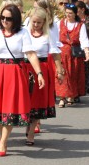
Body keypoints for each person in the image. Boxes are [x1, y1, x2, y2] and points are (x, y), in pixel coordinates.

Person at [0, 5, 45, 157]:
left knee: (9, 108)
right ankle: (2, 133)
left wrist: (39, 73)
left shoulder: (23, 32)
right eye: (2, 17)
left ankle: (3, 141)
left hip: (15, 72)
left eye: (9, 18)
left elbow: (30, 54)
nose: (5, 21)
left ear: (15, 19)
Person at [24, 8, 64, 145]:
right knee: (26, 100)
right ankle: (28, 123)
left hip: (42, 69)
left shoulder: (47, 36)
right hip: (26, 68)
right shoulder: (24, 33)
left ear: (44, 23)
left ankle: (30, 134)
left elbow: (55, 53)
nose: (36, 25)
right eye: (34, 22)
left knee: (38, 102)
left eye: (39, 23)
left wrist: (59, 70)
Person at [55, 3, 89, 107]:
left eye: (70, 13)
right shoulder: (60, 23)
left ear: (75, 14)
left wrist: (87, 52)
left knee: (72, 75)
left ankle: (70, 95)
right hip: (62, 54)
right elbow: (56, 38)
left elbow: (83, 39)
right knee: (62, 74)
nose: (68, 15)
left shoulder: (80, 25)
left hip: (74, 54)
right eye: (66, 13)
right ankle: (62, 98)